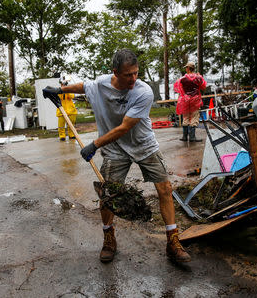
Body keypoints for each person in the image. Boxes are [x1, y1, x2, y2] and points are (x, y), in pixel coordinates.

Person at [42, 49, 191, 264]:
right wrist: (59, 89)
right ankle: (109, 239)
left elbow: (124, 127)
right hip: (114, 150)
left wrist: (94, 144)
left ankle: (173, 241)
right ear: (115, 72)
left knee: (165, 189)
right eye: (127, 74)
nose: (133, 79)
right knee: (107, 195)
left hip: (143, 145)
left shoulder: (143, 92)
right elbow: (84, 86)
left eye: (135, 73)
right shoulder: (102, 84)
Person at [174, 61, 207, 142]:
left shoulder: (182, 79)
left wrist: (185, 96)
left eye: (186, 67)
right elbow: (203, 86)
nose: (185, 69)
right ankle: (192, 137)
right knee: (194, 117)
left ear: (188, 68)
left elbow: (179, 89)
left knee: (185, 117)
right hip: (195, 100)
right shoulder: (198, 78)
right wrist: (200, 77)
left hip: (185, 100)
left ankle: (185, 136)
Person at [56, 75, 77, 141]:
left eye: (64, 84)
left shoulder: (70, 90)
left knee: (71, 125)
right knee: (61, 125)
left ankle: (71, 135)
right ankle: (62, 136)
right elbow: (59, 97)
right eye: (62, 84)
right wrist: (62, 90)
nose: (63, 85)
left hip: (71, 110)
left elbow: (72, 96)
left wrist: (66, 90)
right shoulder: (58, 91)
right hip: (61, 111)